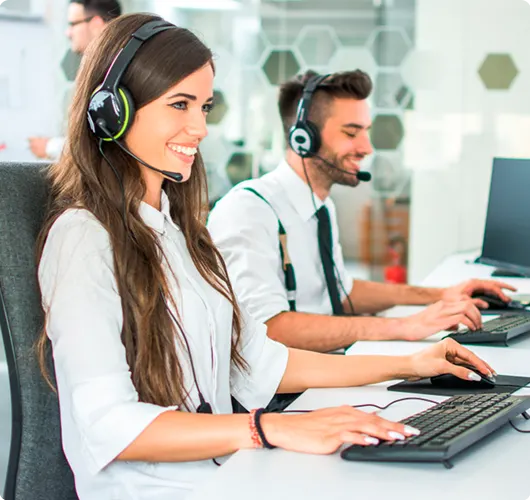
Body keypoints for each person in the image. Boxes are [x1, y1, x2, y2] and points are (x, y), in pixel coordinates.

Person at [36, 15, 494, 500]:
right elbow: (108, 423)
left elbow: (260, 361)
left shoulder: (179, 232)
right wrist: (264, 429)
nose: (200, 127)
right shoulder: (83, 240)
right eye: (180, 104)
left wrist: (410, 364)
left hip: (225, 471)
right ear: (112, 112)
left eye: (205, 107)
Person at [207, 70, 516, 353]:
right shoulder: (249, 210)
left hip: (330, 367)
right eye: (351, 133)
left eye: (366, 131)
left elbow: (341, 292)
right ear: (303, 138)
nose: (367, 147)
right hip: (281, 396)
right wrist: (405, 327)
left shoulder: (321, 207)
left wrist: (442, 294)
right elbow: (268, 329)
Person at [28, 0, 122, 160]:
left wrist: (51, 147)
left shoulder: (116, 76)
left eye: (73, 24)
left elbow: (104, 147)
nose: (68, 33)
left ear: (96, 24)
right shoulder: (107, 70)